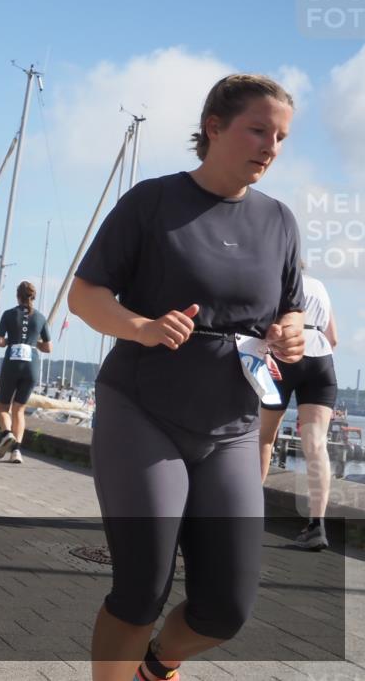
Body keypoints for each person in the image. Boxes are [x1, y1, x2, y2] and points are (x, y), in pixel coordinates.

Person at [67, 74, 305, 681]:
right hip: (142, 410)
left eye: (280, 136)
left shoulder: (279, 221)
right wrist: (142, 325)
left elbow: (290, 309)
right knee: (142, 585)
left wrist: (292, 332)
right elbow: (85, 296)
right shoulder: (152, 202)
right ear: (214, 127)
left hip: (230, 425)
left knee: (227, 607)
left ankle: (157, 664)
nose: (270, 146)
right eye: (258, 129)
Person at [259, 269, 338, 550]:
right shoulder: (320, 285)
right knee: (316, 445)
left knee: (265, 438)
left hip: (284, 355)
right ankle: (317, 525)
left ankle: (250, 516)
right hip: (321, 360)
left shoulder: (276, 281)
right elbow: (334, 338)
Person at [0, 282, 52, 464]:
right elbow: (48, 347)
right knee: (19, 409)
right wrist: (33, 343)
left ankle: (7, 434)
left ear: (17, 296)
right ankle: (16, 452)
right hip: (31, 365)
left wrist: (12, 341)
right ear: (33, 297)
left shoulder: (8, 314)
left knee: (3, 407)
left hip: (12, 364)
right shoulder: (40, 317)